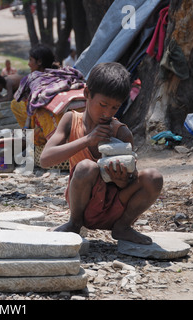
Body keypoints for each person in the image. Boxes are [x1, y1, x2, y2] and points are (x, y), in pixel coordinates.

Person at [39, 62, 163, 245]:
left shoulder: (121, 133)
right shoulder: (70, 120)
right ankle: (74, 224)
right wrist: (87, 140)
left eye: (114, 107)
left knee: (154, 177)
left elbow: (131, 179)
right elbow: (45, 159)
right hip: (83, 204)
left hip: (116, 206)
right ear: (87, 94)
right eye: (103, 105)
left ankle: (123, 227)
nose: (107, 113)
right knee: (86, 167)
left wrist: (121, 180)